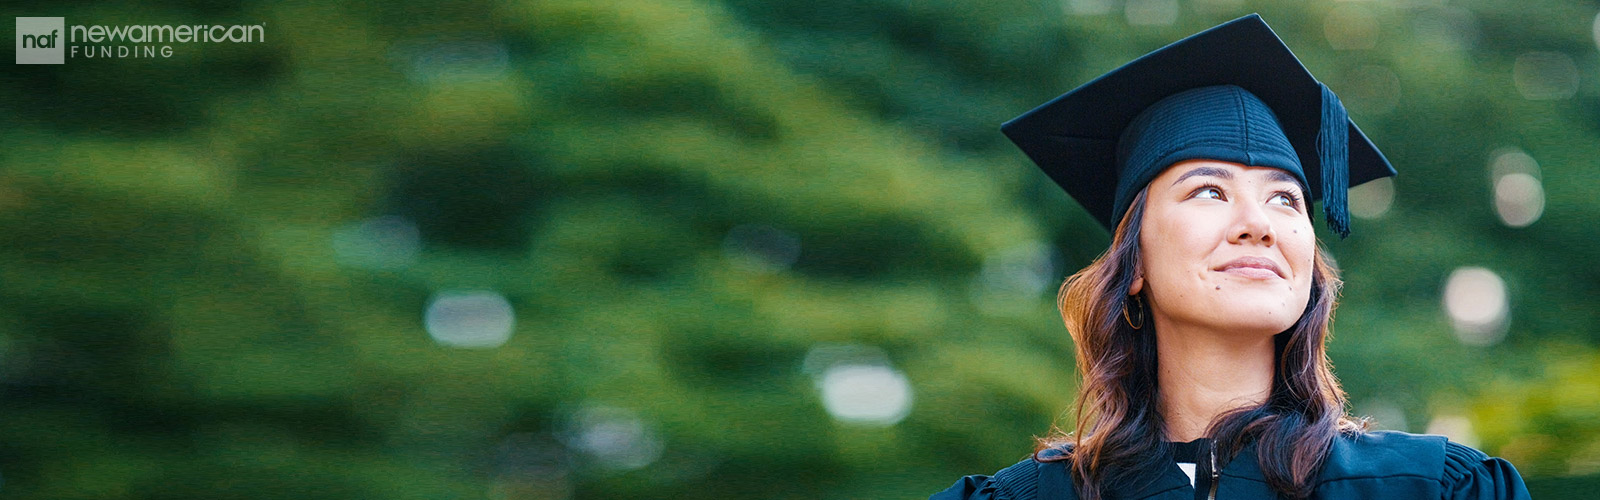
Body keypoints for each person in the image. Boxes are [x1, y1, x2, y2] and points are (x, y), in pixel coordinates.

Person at [931, 14, 1530, 500]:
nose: (1258, 225)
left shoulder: (1433, 488)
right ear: (1133, 264)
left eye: (1285, 200)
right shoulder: (1033, 497)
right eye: (1209, 192)